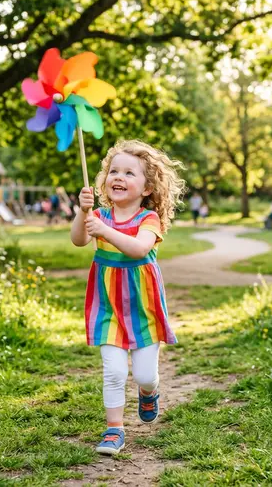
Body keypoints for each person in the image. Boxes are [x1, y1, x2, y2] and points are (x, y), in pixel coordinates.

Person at [70, 140, 185, 456]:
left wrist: (104, 232)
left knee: (144, 374)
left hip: (142, 308)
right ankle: (114, 429)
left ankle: (149, 392)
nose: (118, 177)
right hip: (107, 306)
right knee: (115, 371)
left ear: (148, 187)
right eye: (113, 171)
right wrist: (83, 214)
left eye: (128, 173)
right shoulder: (99, 214)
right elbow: (79, 240)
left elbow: (138, 248)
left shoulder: (148, 220)